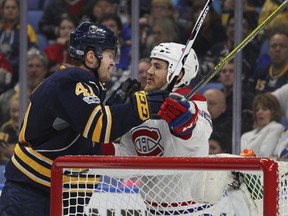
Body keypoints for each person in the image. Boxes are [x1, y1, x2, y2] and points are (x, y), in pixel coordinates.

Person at [0, 21, 168, 216]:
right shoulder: (71, 80)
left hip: (51, 193)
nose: (113, 62)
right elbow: (99, 126)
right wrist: (142, 105)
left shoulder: (80, 84)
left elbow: (78, 130)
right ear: (90, 57)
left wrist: (113, 107)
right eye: (110, 56)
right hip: (33, 195)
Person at [104, 42, 224, 215]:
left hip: (194, 210)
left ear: (178, 75)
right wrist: (106, 129)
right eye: (151, 65)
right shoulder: (140, 109)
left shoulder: (193, 103)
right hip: (152, 210)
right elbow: (127, 158)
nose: (149, 71)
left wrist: (184, 122)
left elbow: (198, 135)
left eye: (157, 66)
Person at [0, 48, 48, 126]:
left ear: (45, 70)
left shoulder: (52, 96)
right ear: (22, 70)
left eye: (38, 66)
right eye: (30, 66)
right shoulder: (5, 98)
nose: (34, 70)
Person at [0, 0, 38, 84]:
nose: (10, 10)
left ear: (19, 11)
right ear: (2, 11)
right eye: (7, 8)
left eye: (13, 8)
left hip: (19, 72)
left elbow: (33, 51)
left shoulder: (27, 29)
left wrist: (11, 65)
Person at [241, 93, 284, 157]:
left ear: (273, 112)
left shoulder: (276, 128)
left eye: (264, 109)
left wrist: (250, 155)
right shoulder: (245, 136)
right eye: (257, 110)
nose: (259, 112)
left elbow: (264, 155)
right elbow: (242, 156)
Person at [248, 23, 288, 94]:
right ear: (268, 50)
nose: (277, 49)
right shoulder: (260, 74)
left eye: (282, 46)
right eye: (273, 46)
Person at [203, 88, 232, 153]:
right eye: (204, 104)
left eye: (211, 104)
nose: (207, 107)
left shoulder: (230, 129)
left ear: (223, 107)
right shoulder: (194, 125)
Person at [0, 93, 19, 164]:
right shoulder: (5, 129)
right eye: (13, 111)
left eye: (19, 111)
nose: (16, 114)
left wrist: (13, 155)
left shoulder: (32, 130)